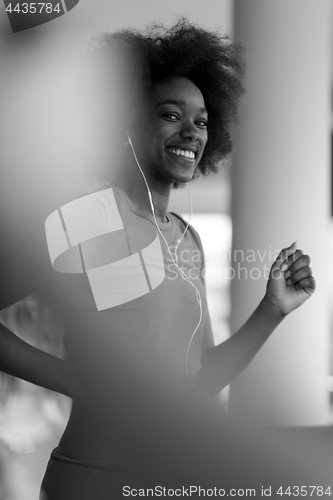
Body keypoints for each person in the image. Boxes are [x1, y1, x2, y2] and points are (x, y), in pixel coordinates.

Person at [0, 19, 317, 499]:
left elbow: (198, 382)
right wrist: (74, 380)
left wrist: (271, 311)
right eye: (171, 114)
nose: (192, 131)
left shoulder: (187, 240)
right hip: (94, 481)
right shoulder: (88, 218)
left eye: (203, 121)